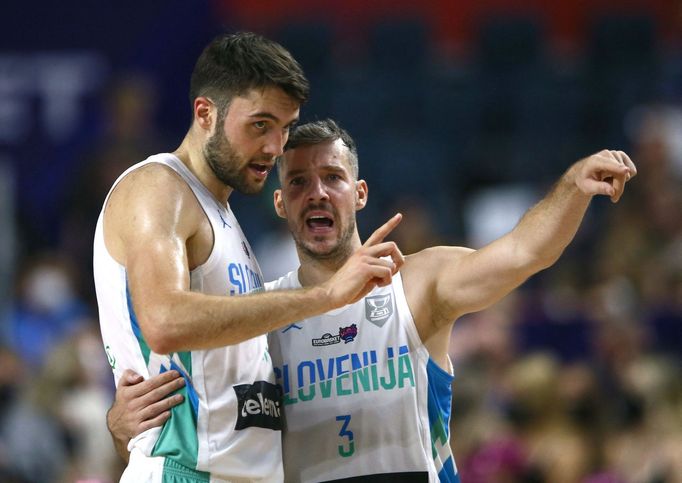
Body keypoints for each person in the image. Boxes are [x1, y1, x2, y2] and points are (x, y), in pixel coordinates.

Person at [108, 119, 636, 482]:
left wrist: (572, 187)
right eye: (298, 182)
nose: (317, 193)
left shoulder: (417, 282)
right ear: (280, 203)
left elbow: (525, 251)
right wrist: (124, 425)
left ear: (359, 194)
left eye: (333, 178)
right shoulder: (260, 313)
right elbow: (203, 420)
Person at [94, 35, 404, 483]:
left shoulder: (221, 214)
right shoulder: (158, 188)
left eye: (286, 127)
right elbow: (163, 321)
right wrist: (326, 295)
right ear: (205, 114)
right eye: (260, 125)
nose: (276, 146)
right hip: (190, 472)